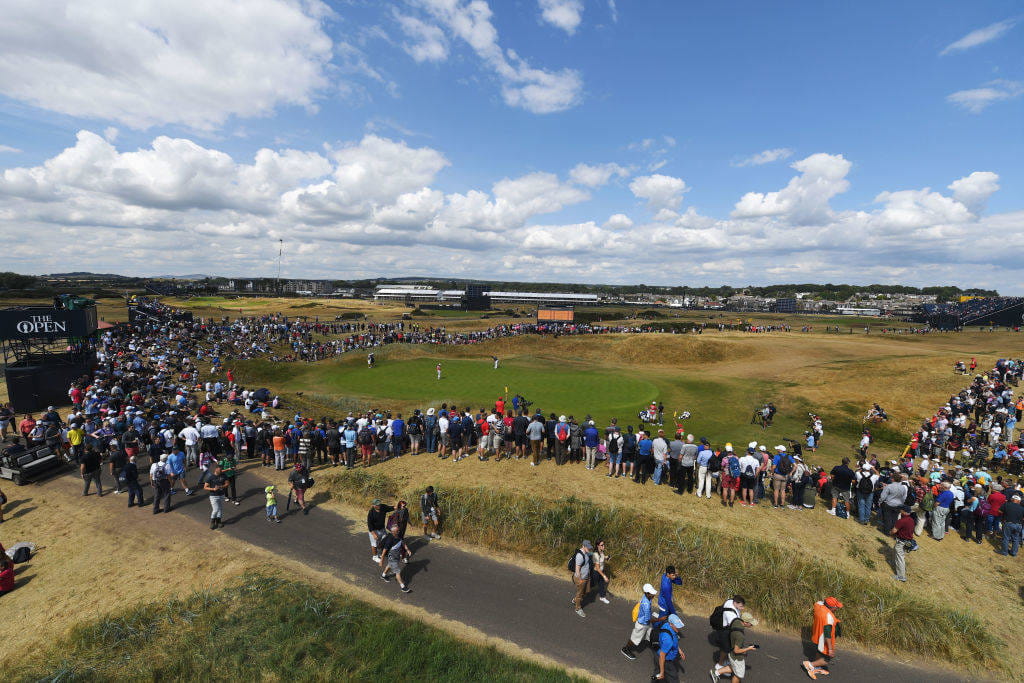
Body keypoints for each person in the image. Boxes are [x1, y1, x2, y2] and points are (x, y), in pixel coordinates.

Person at [803, 597, 843, 679]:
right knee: (827, 659)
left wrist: (826, 602)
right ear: (830, 607)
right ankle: (810, 665)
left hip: (816, 635)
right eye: (836, 607)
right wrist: (830, 649)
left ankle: (816, 667)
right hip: (823, 639)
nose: (837, 608)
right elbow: (827, 634)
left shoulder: (818, 606)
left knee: (819, 651)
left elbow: (820, 602)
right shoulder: (829, 618)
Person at [713, 611, 758, 683]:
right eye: (751, 623)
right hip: (737, 658)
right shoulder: (740, 636)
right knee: (738, 675)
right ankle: (716, 672)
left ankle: (716, 672)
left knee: (735, 668)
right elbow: (736, 651)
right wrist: (748, 648)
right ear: (745, 622)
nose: (752, 625)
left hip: (730, 653)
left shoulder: (736, 621)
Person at [621, 583, 661, 661]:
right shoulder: (646, 604)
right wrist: (660, 619)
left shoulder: (647, 598)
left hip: (645, 622)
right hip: (642, 624)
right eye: (652, 594)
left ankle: (651, 643)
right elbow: (648, 619)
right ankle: (625, 649)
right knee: (635, 640)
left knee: (650, 631)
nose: (653, 595)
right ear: (647, 593)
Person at [378, 525, 412, 593]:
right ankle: (403, 587)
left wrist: (407, 549)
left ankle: (383, 575)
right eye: (397, 531)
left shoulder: (398, 536)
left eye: (398, 530)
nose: (399, 531)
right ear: (393, 532)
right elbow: (385, 550)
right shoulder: (390, 540)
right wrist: (381, 560)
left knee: (390, 565)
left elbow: (402, 542)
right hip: (392, 557)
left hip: (396, 557)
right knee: (397, 572)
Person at [652, 613, 685, 682]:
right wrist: (662, 672)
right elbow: (662, 655)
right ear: (671, 624)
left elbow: (674, 640)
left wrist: (679, 650)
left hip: (657, 655)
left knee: (657, 672)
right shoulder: (668, 640)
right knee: (674, 678)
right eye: (677, 626)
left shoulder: (666, 626)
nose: (679, 628)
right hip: (666, 661)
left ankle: (655, 679)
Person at [891, 505, 915, 582]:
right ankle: (901, 570)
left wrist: (890, 532)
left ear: (903, 511)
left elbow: (894, 531)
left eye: (901, 510)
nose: (900, 511)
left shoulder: (901, 521)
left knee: (900, 557)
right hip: (907, 541)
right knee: (900, 556)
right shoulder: (911, 520)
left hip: (901, 542)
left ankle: (901, 576)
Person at [571, 540, 593, 618]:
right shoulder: (580, 556)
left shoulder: (586, 552)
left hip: (586, 577)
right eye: (588, 547)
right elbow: (577, 570)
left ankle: (575, 600)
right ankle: (578, 608)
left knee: (586, 591)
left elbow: (593, 554)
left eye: (589, 547)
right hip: (581, 578)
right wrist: (580, 580)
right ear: (583, 546)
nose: (589, 549)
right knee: (580, 594)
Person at [204, 462, 229, 530]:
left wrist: (222, 486)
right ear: (216, 469)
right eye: (220, 469)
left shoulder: (224, 475)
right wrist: (213, 489)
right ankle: (212, 521)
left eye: (221, 469)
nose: (221, 470)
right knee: (216, 509)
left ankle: (219, 521)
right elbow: (205, 487)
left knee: (220, 508)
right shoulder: (211, 477)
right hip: (213, 496)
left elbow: (227, 484)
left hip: (222, 495)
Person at [590, 540, 611, 604]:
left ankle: (602, 597)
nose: (603, 546)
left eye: (603, 544)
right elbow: (597, 568)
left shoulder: (601, 552)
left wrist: (607, 557)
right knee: (591, 585)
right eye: (602, 545)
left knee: (601, 584)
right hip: (596, 573)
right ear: (598, 546)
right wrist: (604, 576)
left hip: (600, 572)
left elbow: (602, 557)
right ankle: (582, 593)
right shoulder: (595, 554)